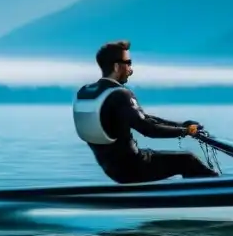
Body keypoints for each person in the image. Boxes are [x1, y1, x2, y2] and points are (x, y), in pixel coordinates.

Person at [73, 40, 220, 184]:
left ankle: (193, 191)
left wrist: (182, 125)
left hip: (110, 168)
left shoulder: (86, 93)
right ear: (117, 67)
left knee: (173, 158)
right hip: (133, 168)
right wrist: (185, 132)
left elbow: (144, 119)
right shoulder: (120, 94)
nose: (131, 69)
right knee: (187, 160)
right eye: (128, 63)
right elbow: (148, 129)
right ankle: (217, 189)